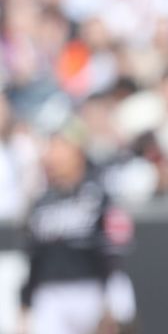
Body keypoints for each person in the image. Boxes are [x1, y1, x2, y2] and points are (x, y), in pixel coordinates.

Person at [17, 119, 136, 334]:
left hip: (92, 289)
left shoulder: (99, 195)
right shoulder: (41, 203)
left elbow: (113, 252)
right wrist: (24, 305)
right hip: (50, 293)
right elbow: (35, 259)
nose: (54, 155)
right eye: (52, 148)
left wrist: (112, 301)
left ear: (78, 151)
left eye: (61, 147)